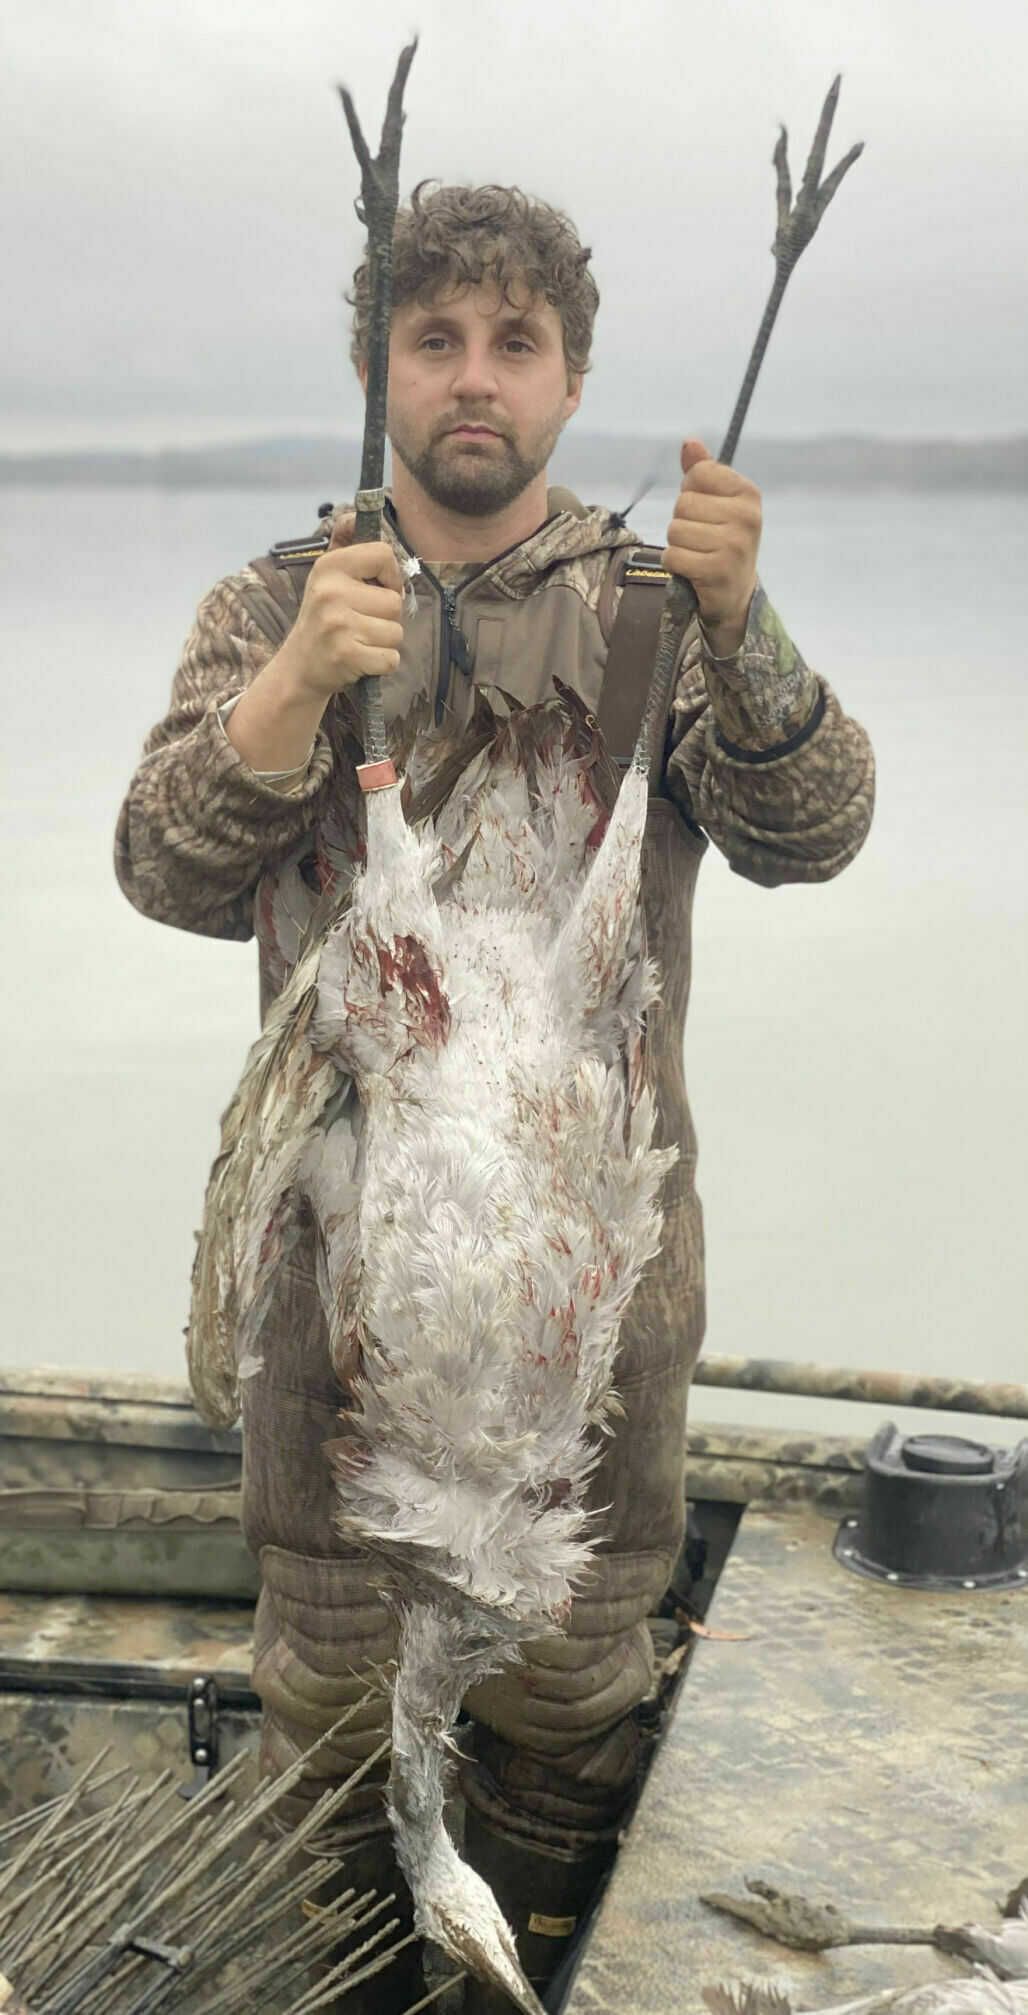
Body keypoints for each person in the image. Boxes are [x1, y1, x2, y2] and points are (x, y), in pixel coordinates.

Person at [115, 182, 874, 2012]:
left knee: (570, 1726)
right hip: (333, 1349)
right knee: (330, 1729)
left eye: (514, 344)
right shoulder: (275, 604)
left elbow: (818, 830)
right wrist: (299, 683)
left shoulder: (657, 613)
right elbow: (162, 868)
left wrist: (749, 623)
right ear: (377, 368)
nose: (475, 378)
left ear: (570, 378)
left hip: (593, 1355)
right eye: (435, 339)